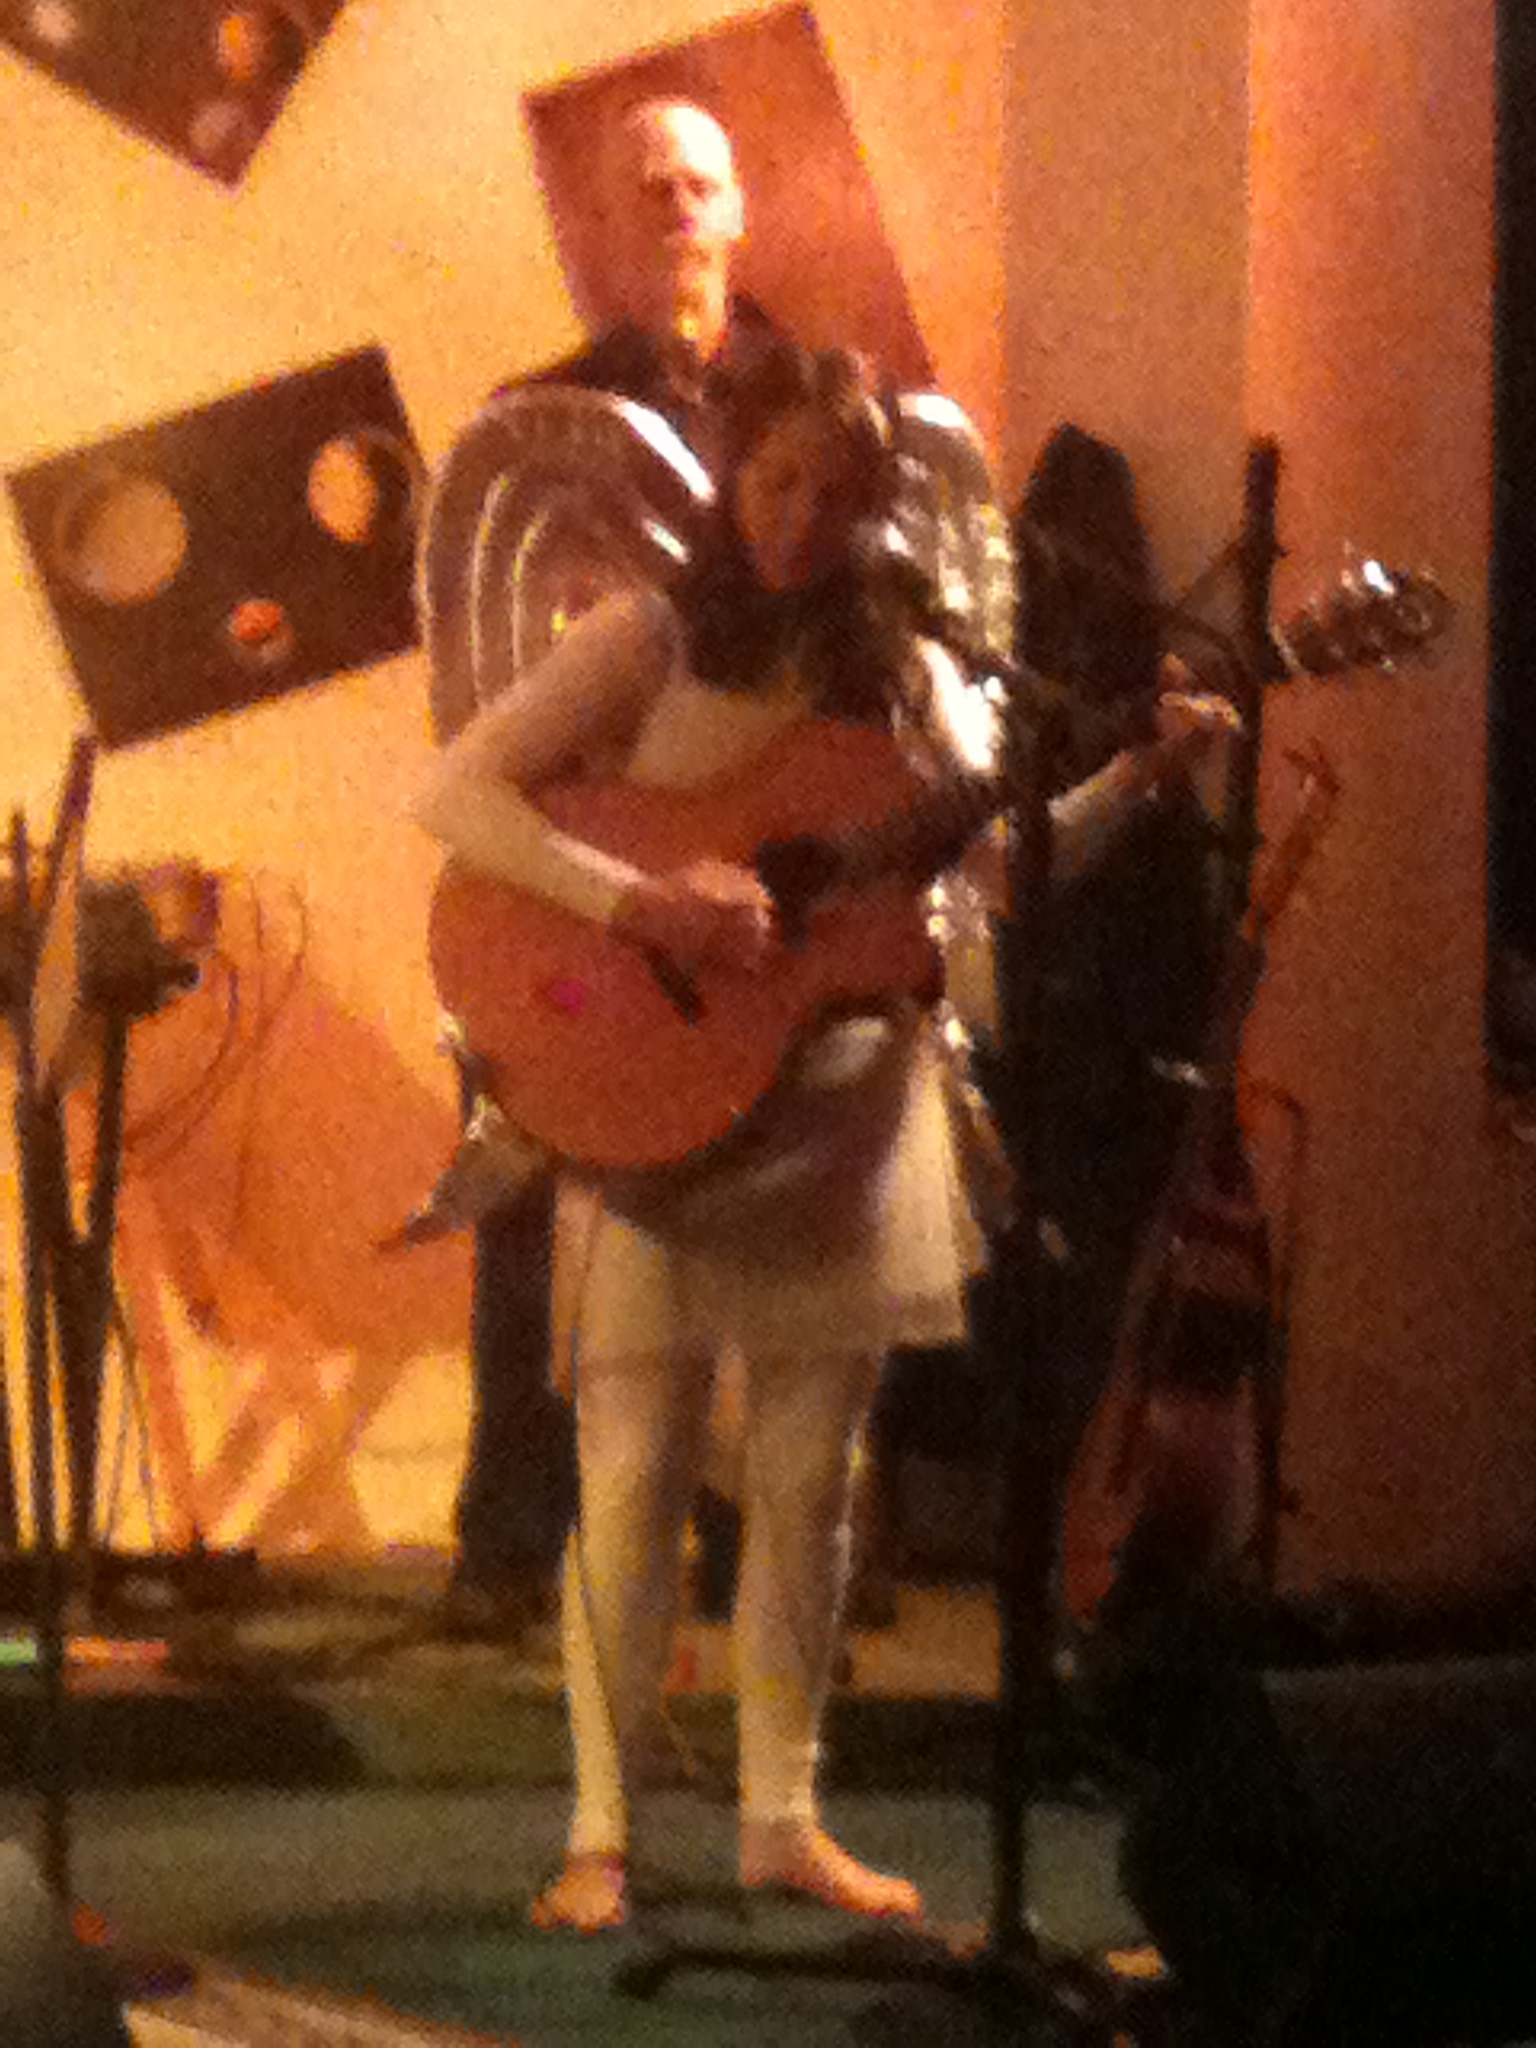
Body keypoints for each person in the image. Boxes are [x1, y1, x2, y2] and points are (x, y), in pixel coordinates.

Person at [415, 343, 1237, 1935]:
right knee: (635, 1465)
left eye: (838, 493)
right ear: (736, 472)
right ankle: (600, 1829)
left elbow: (994, 874)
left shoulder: (906, 676)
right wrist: (638, 901)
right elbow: (457, 793)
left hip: (847, 1098)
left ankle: (780, 1818)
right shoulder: (646, 639)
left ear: (875, 511)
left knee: (812, 1477)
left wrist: (1140, 775)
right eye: (779, 478)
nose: (800, 517)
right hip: (661, 1103)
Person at [440, 97, 791, 1635]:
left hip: (756, 859)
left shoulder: (819, 409)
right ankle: (510, 1540)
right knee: (527, 1176)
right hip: (580, 868)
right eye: (647, 187)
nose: (676, 207)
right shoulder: (535, 425)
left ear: (742, 209)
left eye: (701, 182)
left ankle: (748, 1537)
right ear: (601, 220)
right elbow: (486, 678)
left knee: (759, 1203)